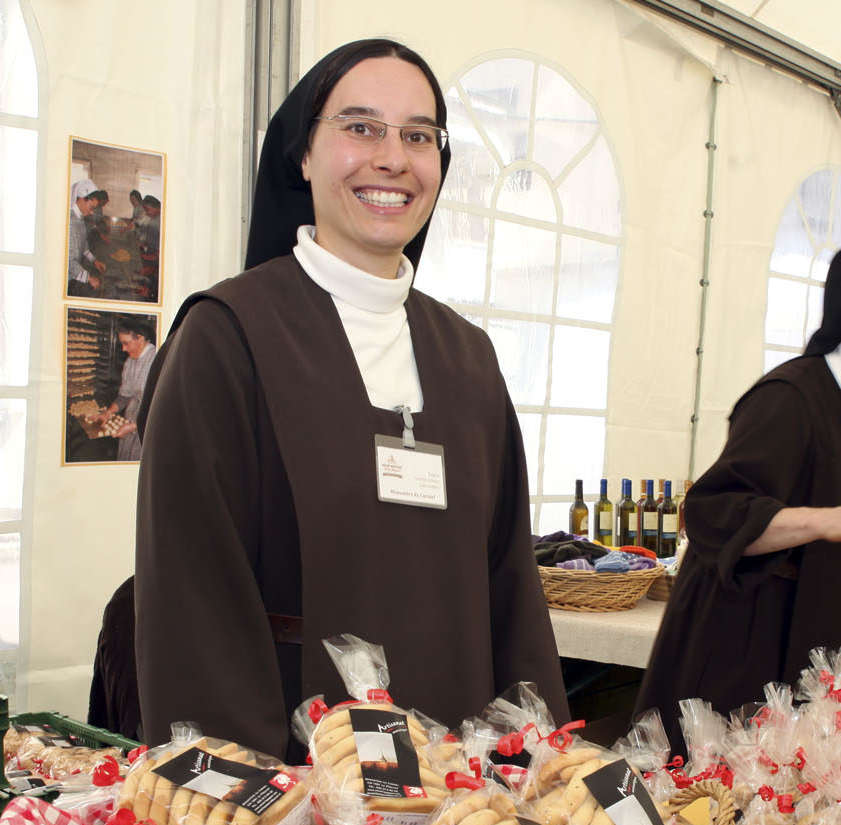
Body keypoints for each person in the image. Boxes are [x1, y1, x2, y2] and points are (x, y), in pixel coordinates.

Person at [129, 38, 569, 756]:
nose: (392, 157)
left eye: (417, 136)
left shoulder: (469, 358)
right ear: (303, 154)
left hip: (457, 786)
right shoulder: (226, 340)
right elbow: (193, 606)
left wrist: (537, 760)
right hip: (299, 779)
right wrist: (258, 795)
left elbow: (511, 586)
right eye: (360, 126)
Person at [634, 237, 841, 756]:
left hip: (810, 666)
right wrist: (823, 521)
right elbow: (711, 512)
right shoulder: (791, 399)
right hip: (738, 670)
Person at [96, 316, 155, 461]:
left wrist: (135, 426)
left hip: (148, 429)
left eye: (126, 343)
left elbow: (162, 406)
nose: (123, 348)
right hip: (129, 424)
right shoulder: (130, 362)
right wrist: (108, 413)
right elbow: (124, 396)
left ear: (140, 338)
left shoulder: (156, 359)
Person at [68, 179, 105, 297]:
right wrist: (89, 278)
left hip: (73, 275)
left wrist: (95, 261)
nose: (91, 212)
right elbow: (68, 260)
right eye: (91, 207)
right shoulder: (69, 221)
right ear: (82, 198)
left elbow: (83, 245)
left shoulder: (79, 219)